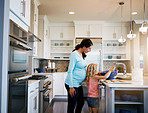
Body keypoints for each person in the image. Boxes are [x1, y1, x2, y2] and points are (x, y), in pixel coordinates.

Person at [65, 38, 93, 113]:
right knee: (72, 105)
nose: (89, 50)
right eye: (89, 48)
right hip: (73, 84)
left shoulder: (82, 55)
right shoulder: (74, 55)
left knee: (81, 102)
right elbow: (70, 71)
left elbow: (81, 68)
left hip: (78, 84)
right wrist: (71, 87)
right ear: (84, 47)